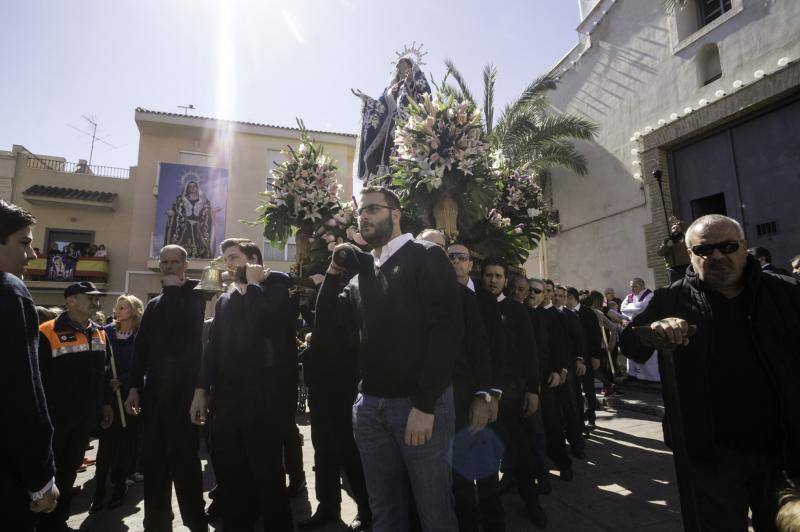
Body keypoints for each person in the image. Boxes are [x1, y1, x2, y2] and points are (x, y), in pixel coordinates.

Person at [620, 214, 800, 531]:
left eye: (727, 246)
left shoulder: (786, 293)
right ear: (690, 255)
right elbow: (630, 345)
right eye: (704, 250)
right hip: (709, 455)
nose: (716, 256)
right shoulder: (670, 298)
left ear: (744, 248)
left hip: (782, 452)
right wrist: (654, 329)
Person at [314, 186, 462, 531]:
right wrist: (334, 271)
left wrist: (425, 406)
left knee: (434, 512)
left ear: (395, 214)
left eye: (372, 209)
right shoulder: (363, 272)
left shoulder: (425, 255)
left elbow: (447, 332)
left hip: (419, 406)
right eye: (360, 212)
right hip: (369, 410)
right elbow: (326, 328)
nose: (363, 216)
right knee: (384, 512)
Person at [190, 238, 295, 530]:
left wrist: (254, 286)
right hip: (226, 404)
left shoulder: (276, 288)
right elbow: (213, 348)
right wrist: (201, 390)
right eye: (226, 259)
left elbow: (262, 324)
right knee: (231, 480)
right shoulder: (225, 299)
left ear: (253, 259)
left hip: (263, 403)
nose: (229, 264)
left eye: (234, 257)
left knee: (269, 479)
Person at [124, 245, 208, 532]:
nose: (169, 267)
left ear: (185, 266)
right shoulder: (154, 304)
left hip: (184, 397)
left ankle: (196, 522)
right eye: (165, 262)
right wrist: (134, 385)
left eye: (175, 262)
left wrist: (200, 391)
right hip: (155, 397)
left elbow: (183, 335)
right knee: (155, 463)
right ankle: (157, 522)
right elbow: (141, 348)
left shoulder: (196, 296)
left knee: (185, 464)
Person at [0, 201, 59, 530]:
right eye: (24, 242)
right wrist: (42, 480)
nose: (33, 254)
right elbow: (24, 395)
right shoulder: (10, 293)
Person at [37, 281, 114, 532]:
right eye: (88, 297)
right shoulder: (47, 331)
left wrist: (104, 405)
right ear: (70, 301)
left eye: (97, 297)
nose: (95, 301)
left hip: (84, 418)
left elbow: (103, 375)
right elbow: (36, 376)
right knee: (49, 472)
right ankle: (41, 523)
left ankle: (58, 521)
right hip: (53, 418)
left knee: (70, 470)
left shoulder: (100, 331)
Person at [443, 242, 503, 532]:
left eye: (461, 258)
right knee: (458, 471)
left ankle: (494, 522)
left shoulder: (486, 300)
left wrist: (491, 394)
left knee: (486, 464)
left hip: (480, 394)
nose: (455, 262)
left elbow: (494, 350)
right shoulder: (434, 293)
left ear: (470, 264)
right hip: (448, 399)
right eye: (450, 257)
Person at [482, 259, 546, 528]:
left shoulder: (515, 310)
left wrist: (532, 389)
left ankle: (532, 503)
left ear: (505, 280)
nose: (493, 280)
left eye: (498, 276)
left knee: (520, 455)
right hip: (480, 396)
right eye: (488, 275)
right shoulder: (473, 305)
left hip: (511, 396)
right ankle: (490, 513)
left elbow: (529, 351)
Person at [297, 331, 372, 531]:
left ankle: (366, 510)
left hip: (344, 381)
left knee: (350, 451)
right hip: (321, 384)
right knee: (323, 450)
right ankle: (328, 506)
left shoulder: (346, 299)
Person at [91, 294, 144, 513]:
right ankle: (99, 493)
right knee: (105, 449)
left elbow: (144, 367)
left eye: (123, 307)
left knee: (125, 448)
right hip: (108, 400)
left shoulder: (141, 337)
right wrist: (107, 381)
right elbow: (95, 363)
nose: (118, 310)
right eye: (117, 307)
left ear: (134, 311)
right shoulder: (105, 333)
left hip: (130, 398)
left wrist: (123, 379)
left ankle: (120, 487)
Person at [528, 278, 579, 479]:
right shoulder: (518, 312)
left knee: (552, 424)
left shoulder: (550, 316)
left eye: (537, 291)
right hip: (526, 381)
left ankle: (562, 463)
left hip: (547, 379)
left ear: (544, 296)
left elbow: (558, 347)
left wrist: (560, 370)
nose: (532, 294)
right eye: (529, 290)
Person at [353, 51, 431, 181]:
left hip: (405, 126)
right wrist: (366, 100)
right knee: (383, 158)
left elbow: (424, 96)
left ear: (409, 64)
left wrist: (411, 81)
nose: (398, 65)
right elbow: (380, 106)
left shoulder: (414, 78)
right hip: (387, 129)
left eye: (401, 62)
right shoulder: (390, 89)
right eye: (397, 63)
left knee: (399, 156)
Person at [565, 286, 601, 431]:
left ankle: (591, 417)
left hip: (587, 358)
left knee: (589, 389)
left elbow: (595, 336)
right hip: (571, 359)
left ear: (572, 298)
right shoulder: (565, 314)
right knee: (575, 391)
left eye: (564, 297)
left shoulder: (588, 313)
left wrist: (596, 356)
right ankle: (579, 418)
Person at [620, 277, 659, 382]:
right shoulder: (629, 296)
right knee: (631, 348)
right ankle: (633, 374)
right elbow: (622, 309)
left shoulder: (649, 295)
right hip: (632, 326)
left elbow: (643, 308)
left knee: (647, 350)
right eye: (631, 287)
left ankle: (650, 377)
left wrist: (631, 309)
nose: (632, 289)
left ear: (642, 285)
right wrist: (635, 309)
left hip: (645, 326)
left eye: (635, 286)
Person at [164, 180, 214, 258]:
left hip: (198, 227)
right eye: (190, 186)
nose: (192, 188)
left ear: (197, 188)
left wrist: (212, 213)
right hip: (185, 226)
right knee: (181, 244)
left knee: (200, 244)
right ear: (187, 188)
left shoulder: (204, 201)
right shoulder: (180, 199)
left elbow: (207, 212)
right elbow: (176, 210)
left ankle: (199, 256)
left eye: (194, 186)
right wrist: (172, 213)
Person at [657, 216, 691, 283]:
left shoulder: (685, 237)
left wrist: (678, 222)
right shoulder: (667, 240)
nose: (675, 229)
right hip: (673, 269)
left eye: (677, 227)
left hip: (686, 266)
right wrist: (667, 246)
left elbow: (687, 227)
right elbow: (660, 253)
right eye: (673, 228)